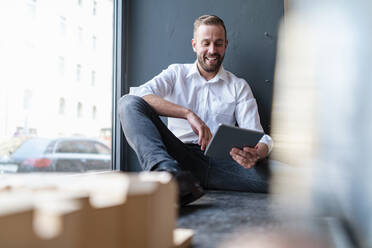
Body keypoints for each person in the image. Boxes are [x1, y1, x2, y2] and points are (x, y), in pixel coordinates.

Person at [118, 15, 273, 205]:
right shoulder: (176, 73)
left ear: (226, 45)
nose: (212, 50)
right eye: (205, 43)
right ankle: (167, 177)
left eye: (218, 43)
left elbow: (259, 137)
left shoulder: (238, 86)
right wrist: (187, 114)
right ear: (194, 45)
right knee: (128, 103)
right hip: (179, 158)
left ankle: (182, 184)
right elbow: (139, 95)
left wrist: (257, 153)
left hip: (226, 165)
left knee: (295, 181)